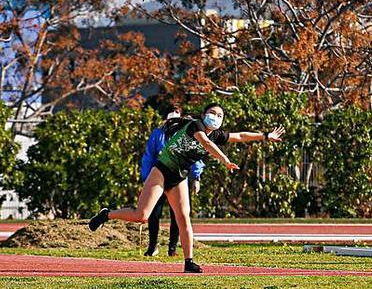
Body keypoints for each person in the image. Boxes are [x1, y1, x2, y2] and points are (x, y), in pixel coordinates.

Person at [88, 103, 285, 273]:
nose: (215, 117)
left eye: (220, 115)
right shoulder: (195, 125)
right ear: (203, 114)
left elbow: (241, 136)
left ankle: (188, 262)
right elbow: (205, 143)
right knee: (142, 216)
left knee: (183, 217)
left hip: (179, 176)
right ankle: (107, 215)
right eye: (212, 113)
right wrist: (225, 160)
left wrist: (266, 136)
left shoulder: (217, 134)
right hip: (162, 170)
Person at [139, 107, 204, 257]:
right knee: (153, 214)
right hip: (159, 178)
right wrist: (146, 178)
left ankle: (172, 247)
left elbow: (195, 157)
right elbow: (149, 156)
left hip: (178, 178)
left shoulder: (187, 134)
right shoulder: (157, 134)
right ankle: (152, 246)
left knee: (178, 214)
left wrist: (196, 177)